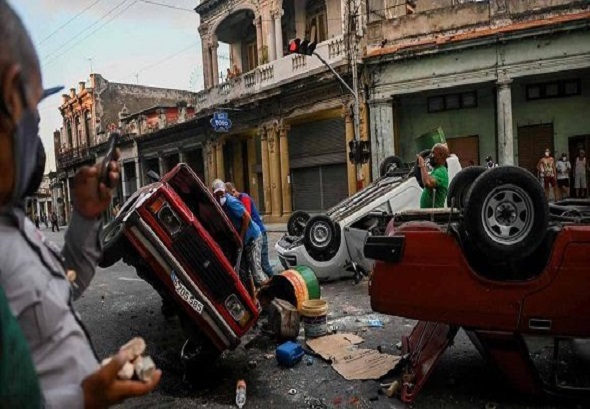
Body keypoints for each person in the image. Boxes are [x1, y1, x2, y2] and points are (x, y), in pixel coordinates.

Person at [0, 2, 161, 407]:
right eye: (33, 109)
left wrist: (86, 218)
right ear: (9, 93)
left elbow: (63, 285)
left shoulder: (14, 223)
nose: (35, 135)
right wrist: (83, 398)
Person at [212, 179, 268, 288]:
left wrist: (241, 238)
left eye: (221, 193)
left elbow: (246, 217)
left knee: (257, 274)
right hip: (246, 239)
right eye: (217, 193)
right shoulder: (220, 205)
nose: (220, 195)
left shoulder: (231, 202)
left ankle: (272, 294)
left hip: (253, 237)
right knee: (247, 273)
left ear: (225, 191)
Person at [225, 182, 273, 278]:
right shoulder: (235, 202)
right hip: (250, 236)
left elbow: (247, 217)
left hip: (259, 233)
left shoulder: (244, 198)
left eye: (230, 195)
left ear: (234, 191)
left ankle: (277, 284)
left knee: (264, 265)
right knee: (252, 268)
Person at [417, 143, 450, 209]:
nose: (431, 156)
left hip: (433, 216)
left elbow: (427, 182)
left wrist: (422, 165)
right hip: (429, 215)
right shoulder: (436, 170)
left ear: (441, 155)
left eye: (433, 153)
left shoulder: (441, 172)